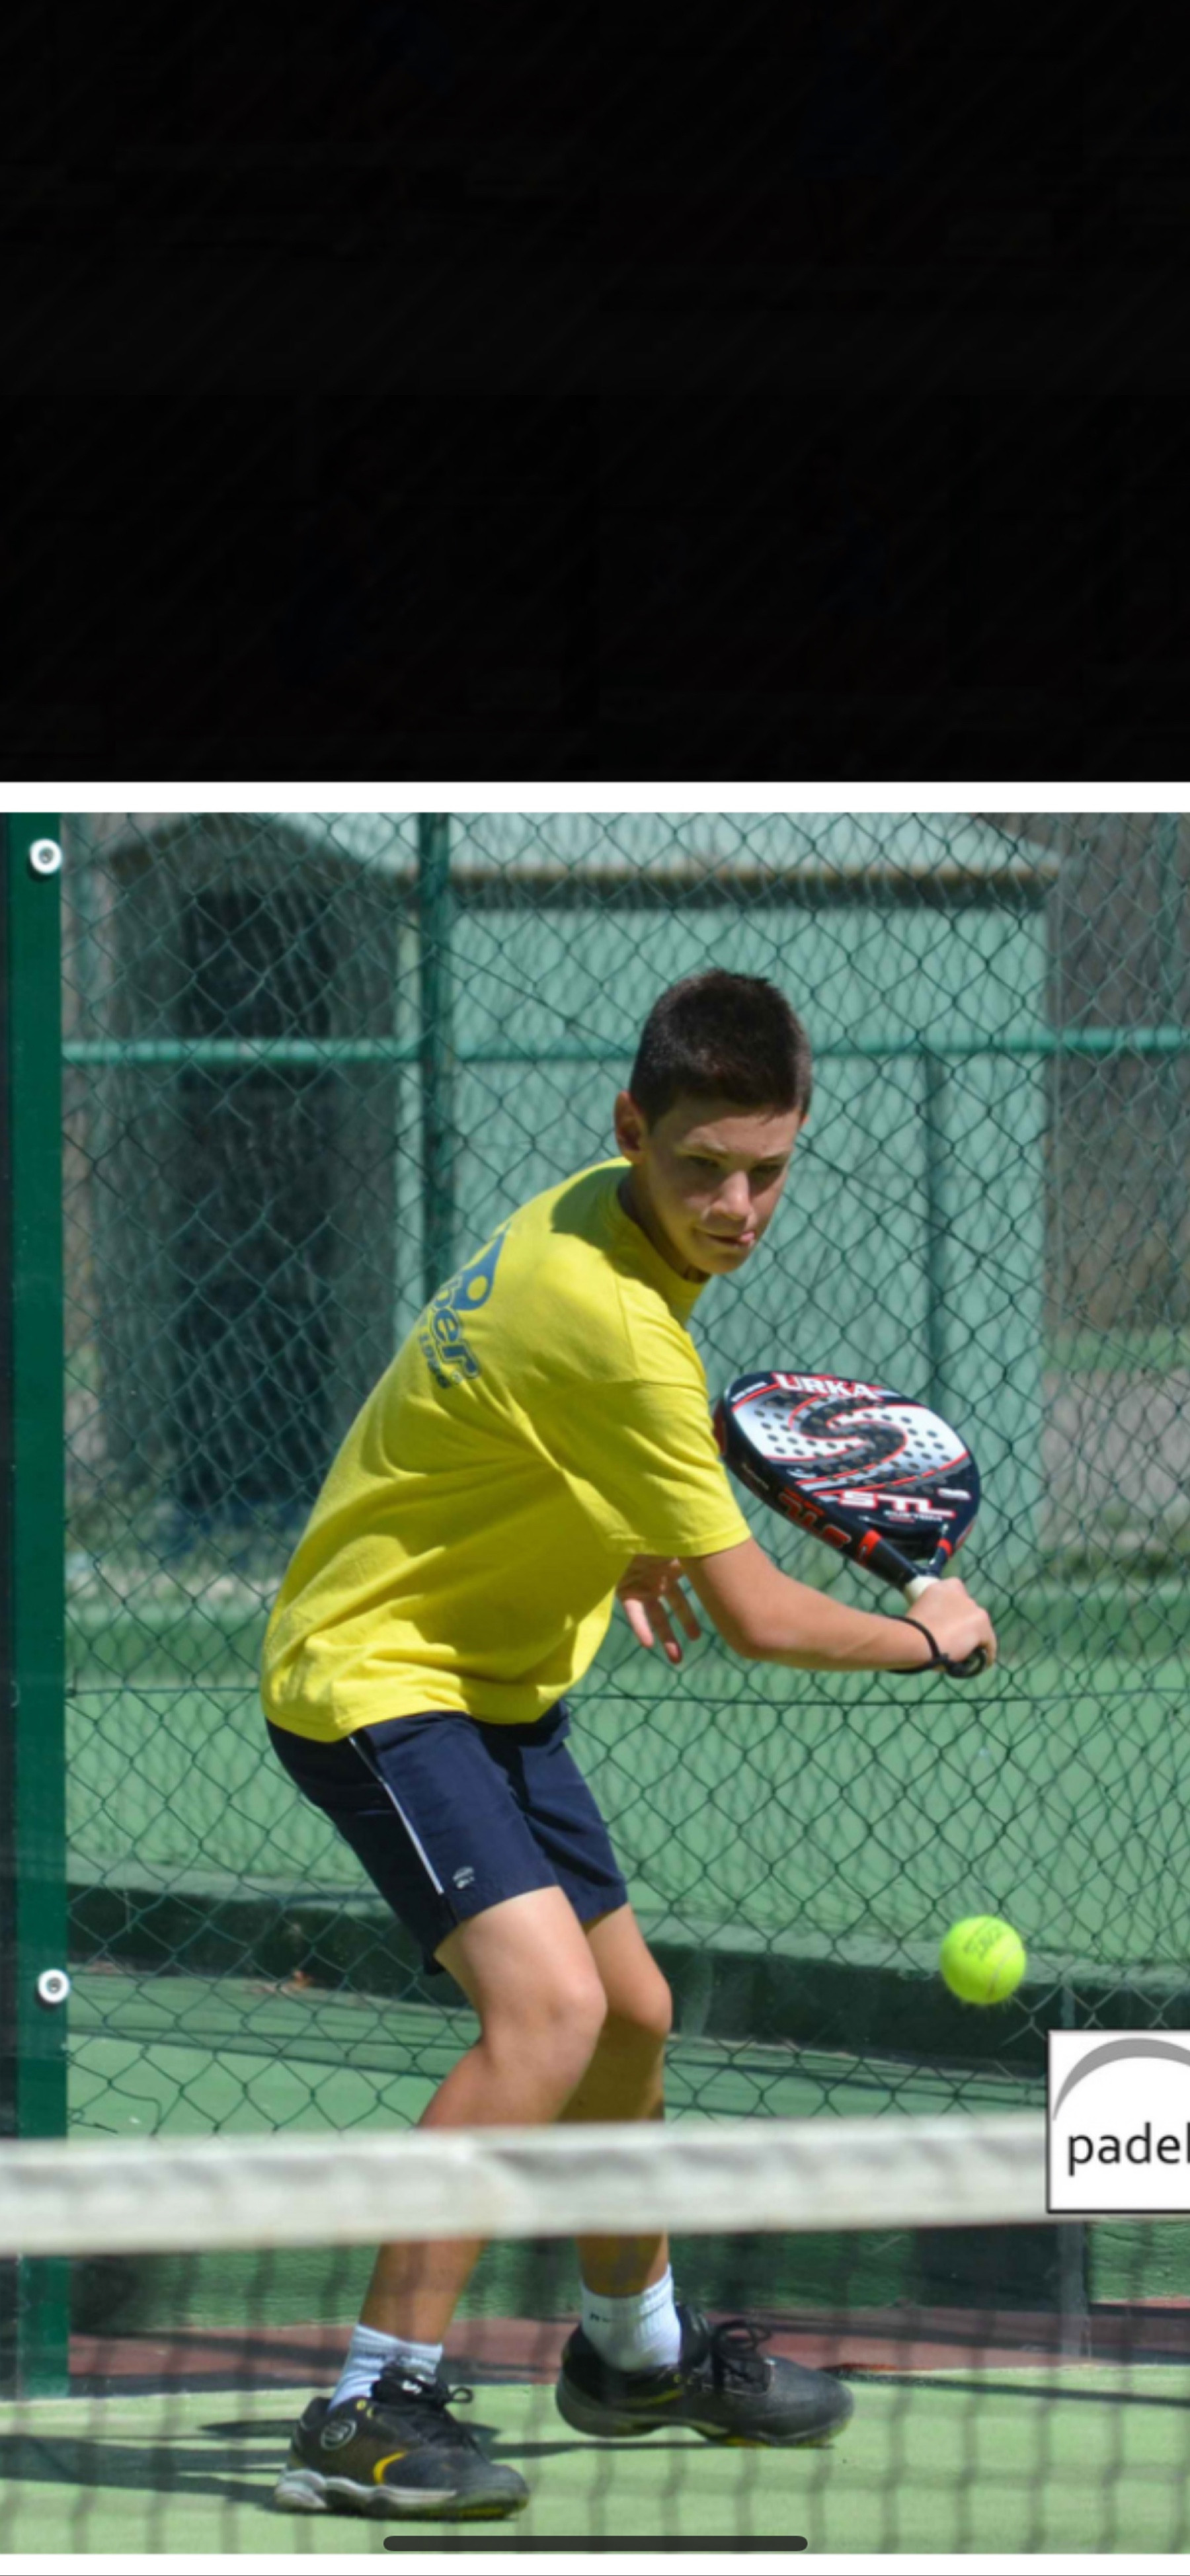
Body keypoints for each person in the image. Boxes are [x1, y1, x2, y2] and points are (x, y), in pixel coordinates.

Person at [262, 969, 996, 2521]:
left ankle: (634, 2354)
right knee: (549, 2012)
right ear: (630, 1128)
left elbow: (528, 1426)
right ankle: (367, 2399)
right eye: (704, 1169)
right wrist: (931, 1631)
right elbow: (765, 1618)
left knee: (631, 2016)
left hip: (498, 1674)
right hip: (377, 1671)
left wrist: (622, 1529)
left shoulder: (599, 1216)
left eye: (767, 1171)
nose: (737, 1208)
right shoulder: (620, 1326)